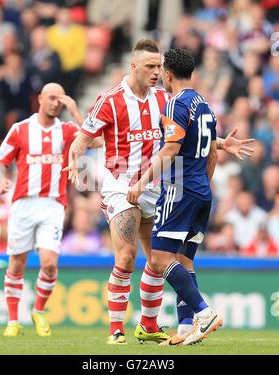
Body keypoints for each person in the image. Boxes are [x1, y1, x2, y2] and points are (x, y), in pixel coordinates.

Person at [65, 39, 255, 345]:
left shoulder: (164, 101)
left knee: (157, 259)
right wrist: (75, 160)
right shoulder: (110, 100)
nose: (156, 72)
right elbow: (83, 137)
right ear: (134, 66)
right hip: (121, 183)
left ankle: (149, 325)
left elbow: (178, 138)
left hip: (157, 185)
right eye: (150, 66)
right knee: (126, 257)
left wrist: (218, 143)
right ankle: (116, 329)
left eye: (159, 67)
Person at [126, 48, 226, 346]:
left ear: (168, 74)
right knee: (184, 260)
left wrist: (142, 181)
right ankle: (186, 327)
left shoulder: (174, 105)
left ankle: (204, 313)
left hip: (179, 191)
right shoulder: (204, 104)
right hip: (201, 191)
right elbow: (211, 150)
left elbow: (170, 148)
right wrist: (203, 186)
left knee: (158, 259)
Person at [0, 83, 87, 337]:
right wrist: (2, 178)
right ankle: (13, 321)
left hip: (53, 205)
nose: (56, 103)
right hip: (24, 203)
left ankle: (38, 311)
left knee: (49, 264)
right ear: (40, 99)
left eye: (60, 99)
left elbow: (96, 140)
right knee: (16, 264)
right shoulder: (20, 129)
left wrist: (75, 111)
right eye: (52, 98)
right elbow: (1, 161)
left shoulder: (67, 130)